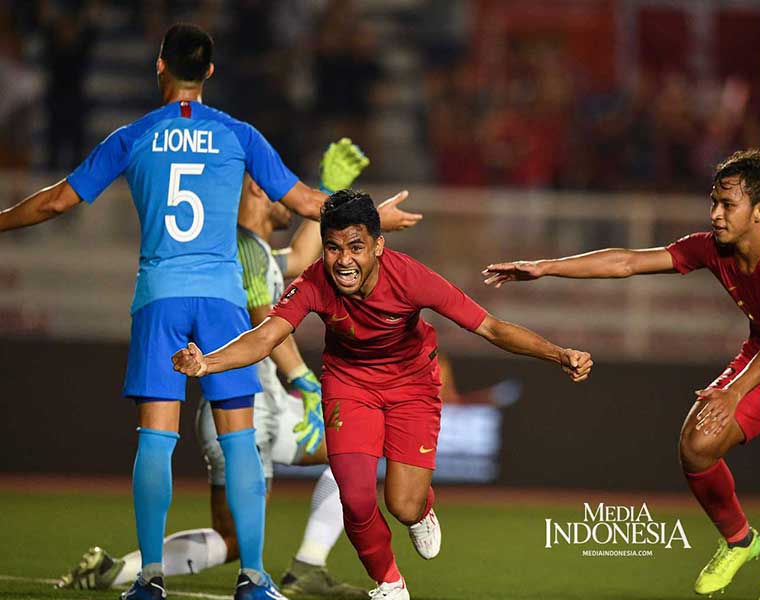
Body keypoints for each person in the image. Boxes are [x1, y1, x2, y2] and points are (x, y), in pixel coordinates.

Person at [0, 23, 417, 600]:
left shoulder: (134, 135)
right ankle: (255, 579)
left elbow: (57, 200)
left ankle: (148, 581)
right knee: (240, 441)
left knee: (155, 440)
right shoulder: (239, 135)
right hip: (223, 298)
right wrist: (373, 220)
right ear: (211, 73)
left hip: (160, 294)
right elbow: (304, 203)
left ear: (159, 66)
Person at [171, 189, 593, 600]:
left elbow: (491, 327)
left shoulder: (411, 277)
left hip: (413, 386)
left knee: (403, 506)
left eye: (355, 246)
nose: (344, 260)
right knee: (354, 497)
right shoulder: (315, 281)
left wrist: (558, 354)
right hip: (349, 385)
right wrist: (207, 362)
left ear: (378, 246)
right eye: (333, 248)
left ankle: (421, 510)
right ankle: (390, 583)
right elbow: (266, 337)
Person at [56, 144, 420, 599]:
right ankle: (130, 571)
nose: (290, 195)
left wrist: (336, 199)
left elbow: (307, 255)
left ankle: (306, 564)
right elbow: (264, 322)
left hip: (264, 408)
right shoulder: (240, 248)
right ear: (257, 189)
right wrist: (306, 383)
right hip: (242, 408)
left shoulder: (257, 251)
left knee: (351, 454)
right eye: (280, 187)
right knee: (236, 536)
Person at [483, 148, 760, 600]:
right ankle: (740, 540)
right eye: (713, 201)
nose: (715, 214)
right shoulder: (713, 248)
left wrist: (733, 394)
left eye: (727, 204)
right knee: (696, 447)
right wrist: (546, 267)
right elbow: (627, 262)